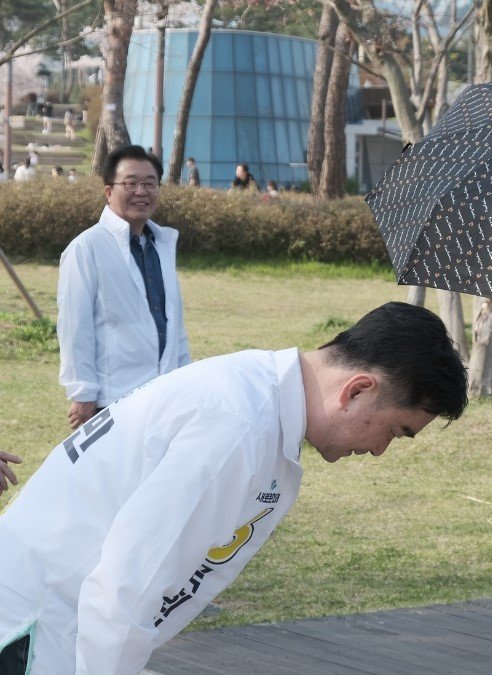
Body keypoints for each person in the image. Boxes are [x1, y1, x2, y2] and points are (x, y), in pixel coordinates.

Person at [0, 302, 467, 673]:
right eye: (395, 431)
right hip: (39, 634)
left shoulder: (253, 388)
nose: (381, 451)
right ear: (358, 389)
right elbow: (125, 587)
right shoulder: (238, 429)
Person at [57, 145, 191, 431]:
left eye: (150, 183)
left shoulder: (161, 245)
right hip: (114, 397)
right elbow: (74, 326)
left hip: (164, 394)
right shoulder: (87, 248)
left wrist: (185, 379)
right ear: (108, 191)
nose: (141, 191)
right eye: (130, 183)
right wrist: (83, 393)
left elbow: (174, 324)